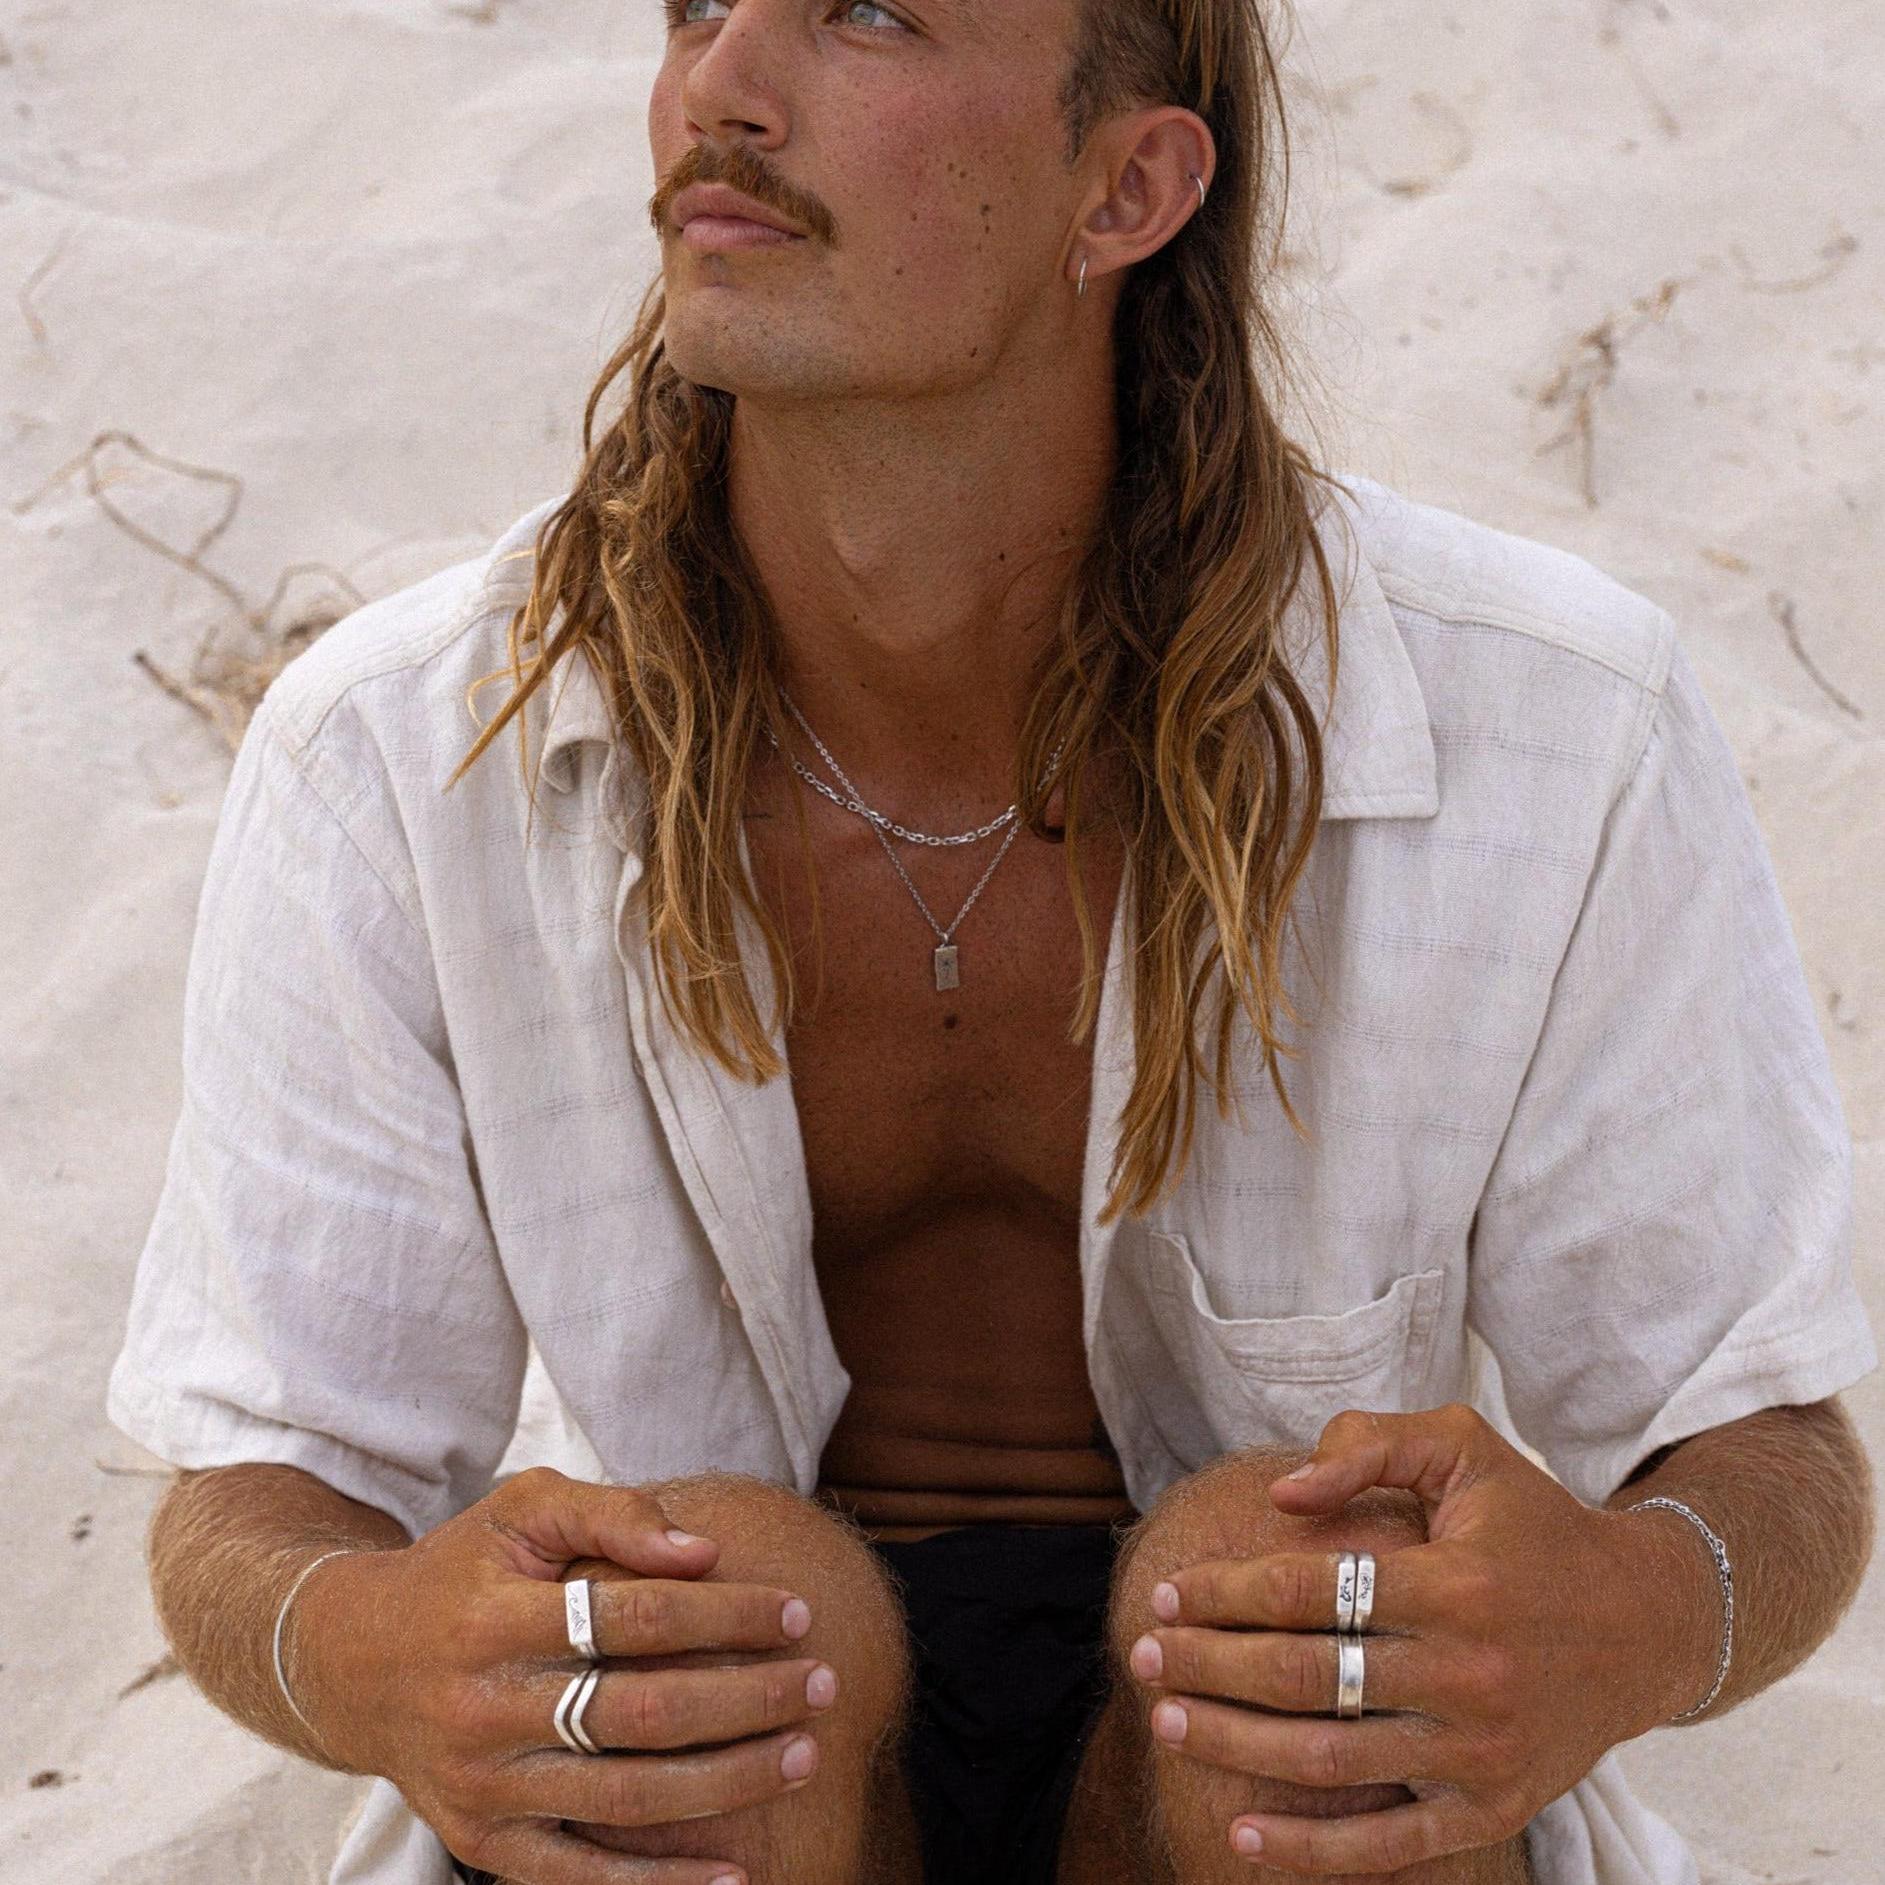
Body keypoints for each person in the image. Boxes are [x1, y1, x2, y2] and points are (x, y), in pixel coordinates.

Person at [107, 0, 1876, 1882]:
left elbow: (1756, 1441)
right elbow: (261, 1479)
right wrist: (364, 1648)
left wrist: (1625, 1611)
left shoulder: (1551, 719)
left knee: (1289, 1614)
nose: (721, 82)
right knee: (729, 1614)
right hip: (733, 1767)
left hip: (1259, 1765)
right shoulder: (400, 742)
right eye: (699, 6)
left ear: (1124, 185)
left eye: (862, 13)